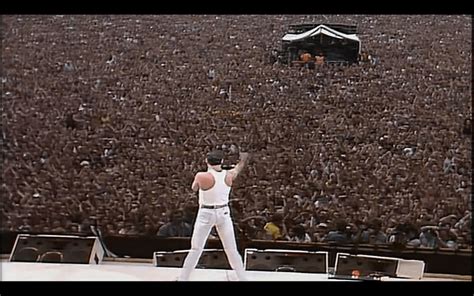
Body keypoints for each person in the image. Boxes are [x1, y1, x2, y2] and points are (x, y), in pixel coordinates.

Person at [178, 149, 249, 281]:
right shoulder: (229, 175)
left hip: (206, 212)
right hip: (223, 213)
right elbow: (238, 168)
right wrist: (242, 160)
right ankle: (243, 278)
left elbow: (194, 188)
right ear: (221, 161)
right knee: (231, 249)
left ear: (207, 161)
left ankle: (183, 278)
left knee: (196, 249)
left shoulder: (201, 176)